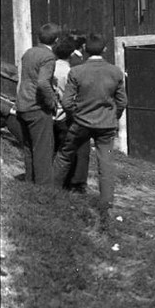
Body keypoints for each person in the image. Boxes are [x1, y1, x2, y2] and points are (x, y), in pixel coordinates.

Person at [53, 33, 127, 213]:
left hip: (81, 123)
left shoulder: (76, 71)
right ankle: (106, 203)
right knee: (106, 162)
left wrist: (75, 115)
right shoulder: (115, 72)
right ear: (105, 49)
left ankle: (51, 192)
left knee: (65, 155)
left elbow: (67, 102)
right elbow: (122, 101)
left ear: (84, 49)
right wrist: (113, 117)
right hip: (106, 126)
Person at [16, 23, 61, 184]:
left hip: (23, 104)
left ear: (38, 37)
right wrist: (51, 103)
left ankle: (30, 184)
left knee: (29, 149)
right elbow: (42, 83)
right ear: (56, 40)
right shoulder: (48, 57)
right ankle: (44, 190)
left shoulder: (28, 53)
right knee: (43, 150)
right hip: (37, 108)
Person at [52, 36, 92, 192]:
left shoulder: (50, 67)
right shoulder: (71, 72)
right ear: (71, 53)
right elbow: (70, 97)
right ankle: (73, 183)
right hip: (66, 115)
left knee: (57, 150)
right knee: (74, 150)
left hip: (52, 115)